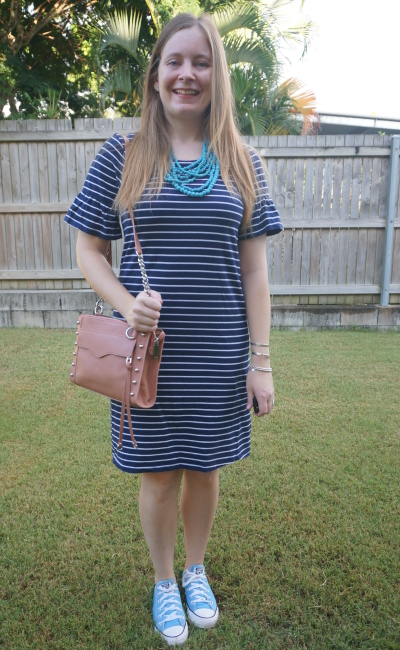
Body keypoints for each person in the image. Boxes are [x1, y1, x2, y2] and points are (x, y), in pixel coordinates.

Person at [64, 12, 283, 646]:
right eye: (175, 61)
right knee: (158, 474)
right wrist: (126, 301)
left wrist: (260, 361)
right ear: (156, 74)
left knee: (206, 471)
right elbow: (88, 251)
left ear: (217, 76)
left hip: (218, 353)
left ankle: (195, 569)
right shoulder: (122, 154)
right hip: (147, 355)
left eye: (202, 62)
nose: (187, 74)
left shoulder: (241, 162)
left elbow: (256, 275)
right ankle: (165, 581)